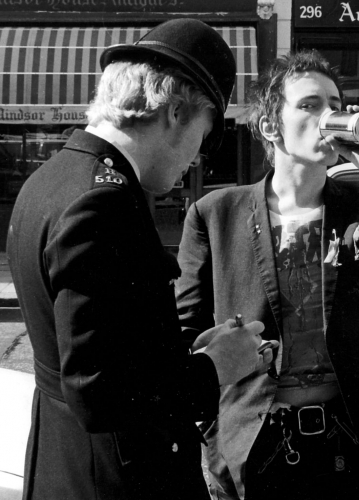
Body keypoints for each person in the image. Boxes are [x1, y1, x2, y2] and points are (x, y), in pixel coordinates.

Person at [7, 19, 273, 500]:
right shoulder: (102, 204)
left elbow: (104, 352)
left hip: (65, 467)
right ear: (175, 112)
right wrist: (218, 367)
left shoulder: (51, 178)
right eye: (206, 134)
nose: (199, 159)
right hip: (118, 481)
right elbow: (100, 393)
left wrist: (184, 355)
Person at [175, 50, 359, 500]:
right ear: (271, 126)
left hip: (345, 445)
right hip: (252, 449)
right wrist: (213, 431)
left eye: (334, 103)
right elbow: (186, 331)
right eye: (308, 104)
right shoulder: (214, 215)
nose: (328, 115)